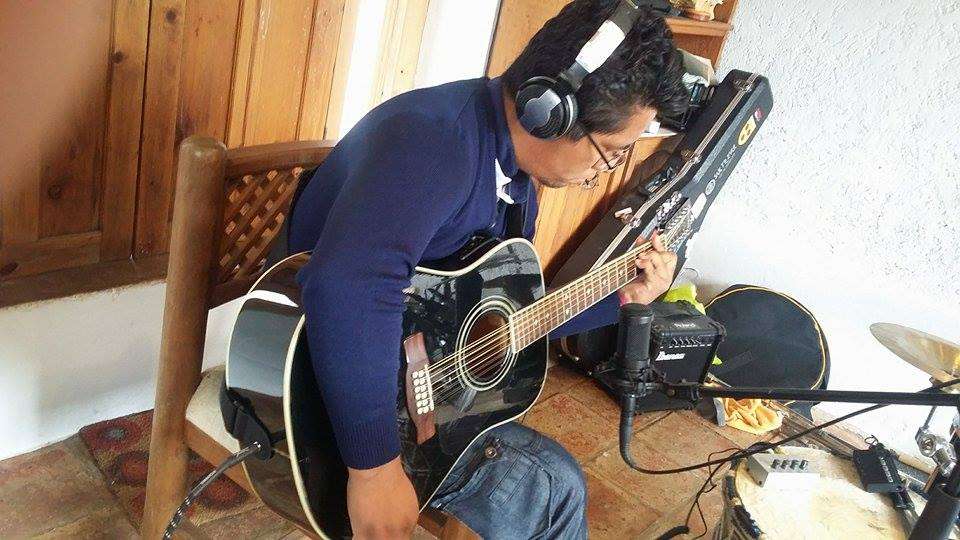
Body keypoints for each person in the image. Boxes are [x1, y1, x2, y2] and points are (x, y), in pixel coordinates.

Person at [287, 1, 688, 537]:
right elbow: (347, 289)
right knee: (554, 490)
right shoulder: (432, 144)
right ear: (550, 111)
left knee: (542, 465)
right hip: (330, 401)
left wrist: (621, 299)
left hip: (410, 384)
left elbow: (509, 318)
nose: (606, 168)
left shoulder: (514, 178)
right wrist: (374, 470)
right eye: (610, 151)